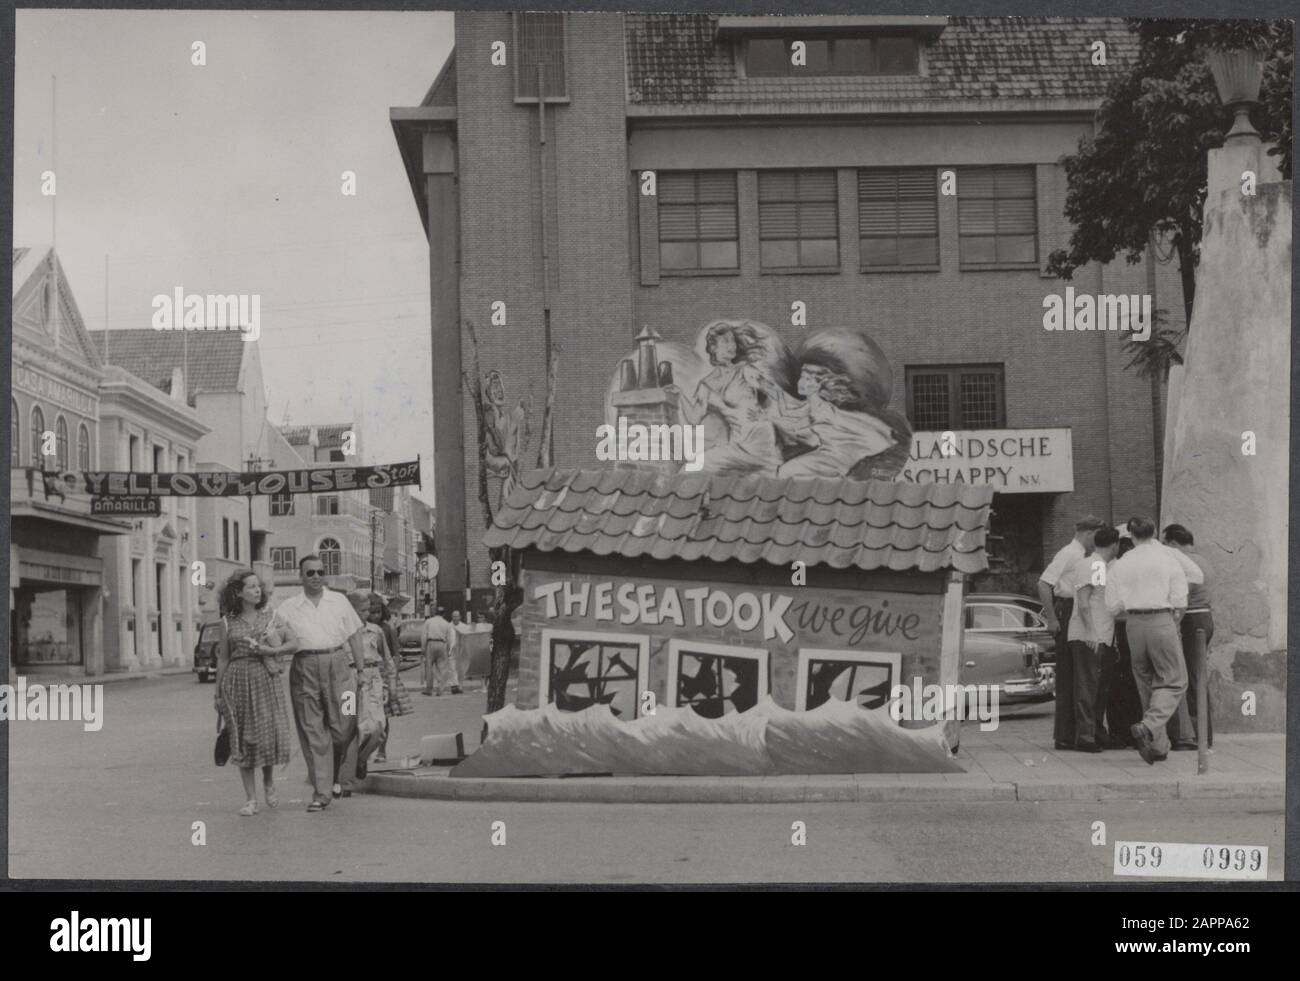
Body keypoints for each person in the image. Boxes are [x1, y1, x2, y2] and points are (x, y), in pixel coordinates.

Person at [271, 554, 367, 811]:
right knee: (313, 731)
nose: (316, 577)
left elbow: (355, 636)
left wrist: (362, 669)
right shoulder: (287, 607)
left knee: (345, 724)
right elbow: (273, 637)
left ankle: (336, 771)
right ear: (301, 576)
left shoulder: (339, 601)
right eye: (310, 573)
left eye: (319, 572)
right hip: (304, 667)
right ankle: (321, 792)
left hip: (339, 665)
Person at [1104, 516, 1189, 765]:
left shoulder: (1119, 564)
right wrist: (1173, 622)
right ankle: (1148, 726)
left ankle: (1158, 745)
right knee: (1174, 681)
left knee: (1145, 683)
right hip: (1161, 619)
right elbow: (1180, 599)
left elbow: (1111, 606)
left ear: (1130, 536)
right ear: (1153, 534)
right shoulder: (1167, 558)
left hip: (1133, 624)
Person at [212, 570, 295, 816]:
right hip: (237, 681)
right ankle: (250, 799)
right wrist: (218, 693)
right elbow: (223, 660)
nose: (257, 590)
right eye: (251, 587)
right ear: (238, 592)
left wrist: (268, 651)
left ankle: (268, 782)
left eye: (258, 586)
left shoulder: (271, 616)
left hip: (264, 679)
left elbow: (294, 642)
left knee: (266, 735)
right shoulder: (227, 621)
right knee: (242, 738)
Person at [1037, 515, 1104, 750]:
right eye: (1096, 536)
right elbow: (1044, 584)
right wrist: (1052, 618)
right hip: (1066, 609)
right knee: (1068, 675)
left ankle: (1072, 733)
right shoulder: (1069, 553)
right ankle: (1065, 735)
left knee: (1077, 674)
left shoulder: (1083, 555)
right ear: (1088, 533)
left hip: (1075, 609)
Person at [1064, 527, 1121, 751]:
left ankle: (1096, 730)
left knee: (1099, 686)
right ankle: (1086, 736)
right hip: (1089, 636)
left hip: (1101, 636)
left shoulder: (1101, 566)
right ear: (1114, 544)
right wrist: (1091, 633)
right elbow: (1085, 602)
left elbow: (1098, 602)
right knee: (1088, 686)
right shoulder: (1093, 565)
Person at [1162, 524, 1215, 750]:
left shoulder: (1185, 564)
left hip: (1192, 620)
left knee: (1191, 680)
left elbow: (1182, 595)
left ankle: (1195, 734)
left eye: (1165, 544)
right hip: (1204, 617)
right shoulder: (1203, 560)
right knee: (1196, 677)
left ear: (1174, 544)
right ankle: (1203, 734)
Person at [1102, 535, 1145, 747]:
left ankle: (1120, 733)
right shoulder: (1132, 571)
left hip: (1120, 629)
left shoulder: (1113, 570)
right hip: (1132, 628)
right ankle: (1132, 731)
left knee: (1118, 684)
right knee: (1134, 682)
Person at [347, 591, 391, 781]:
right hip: (347, 684)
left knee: (378, 727)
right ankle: (345, 776)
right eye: (362, 610)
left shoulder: (376, 631)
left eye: (368, 610)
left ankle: (361, 759)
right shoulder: (341, 633)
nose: (367, 614)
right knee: (346, 728)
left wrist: (390, 685)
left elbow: (388, 660)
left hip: (372, 681)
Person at [422, 607, 461, 696]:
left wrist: (423, 648)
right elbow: (449, 638)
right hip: (442, 644)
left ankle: (429, 689)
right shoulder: (447, 624)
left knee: (429, 667)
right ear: (443, 614)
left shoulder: (429, 621)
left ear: (435, 613)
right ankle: (440, 689)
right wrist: (448, 649)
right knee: (443, 668)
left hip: (430, 643)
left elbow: (424, 635)